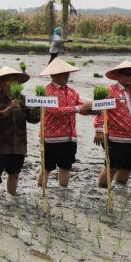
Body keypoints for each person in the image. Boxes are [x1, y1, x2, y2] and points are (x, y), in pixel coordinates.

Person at [0, 66, 40, 196]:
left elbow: (33, 119)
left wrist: (39, 109)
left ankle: (13, 197)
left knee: (14, 174)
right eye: (10, 80)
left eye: (15, 80)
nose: (13, 82)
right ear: (2, 82)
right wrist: (9, 109)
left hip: (18, 144)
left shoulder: (23, 99)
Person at [94, 60, 131, 187]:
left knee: (128, 167)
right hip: (116, 138)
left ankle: (120, 189)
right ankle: (102, 191)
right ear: (119, 75)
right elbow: (99, 111)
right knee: (112, 167)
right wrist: (98, 131)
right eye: (127, 74)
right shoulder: (109, 92)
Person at [38, 58, 91, 188]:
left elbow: (81, 108)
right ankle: (41, 191)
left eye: (68, 73)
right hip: (50, 137)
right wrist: (79, 108)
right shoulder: (46, 91)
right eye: (64, 73)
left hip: (69, 136)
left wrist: (92, 109)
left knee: (66, 166)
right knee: (47, 167)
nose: (67, 75)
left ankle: (63, 192)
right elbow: (53, 111)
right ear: (53, 75)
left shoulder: (72, 91)